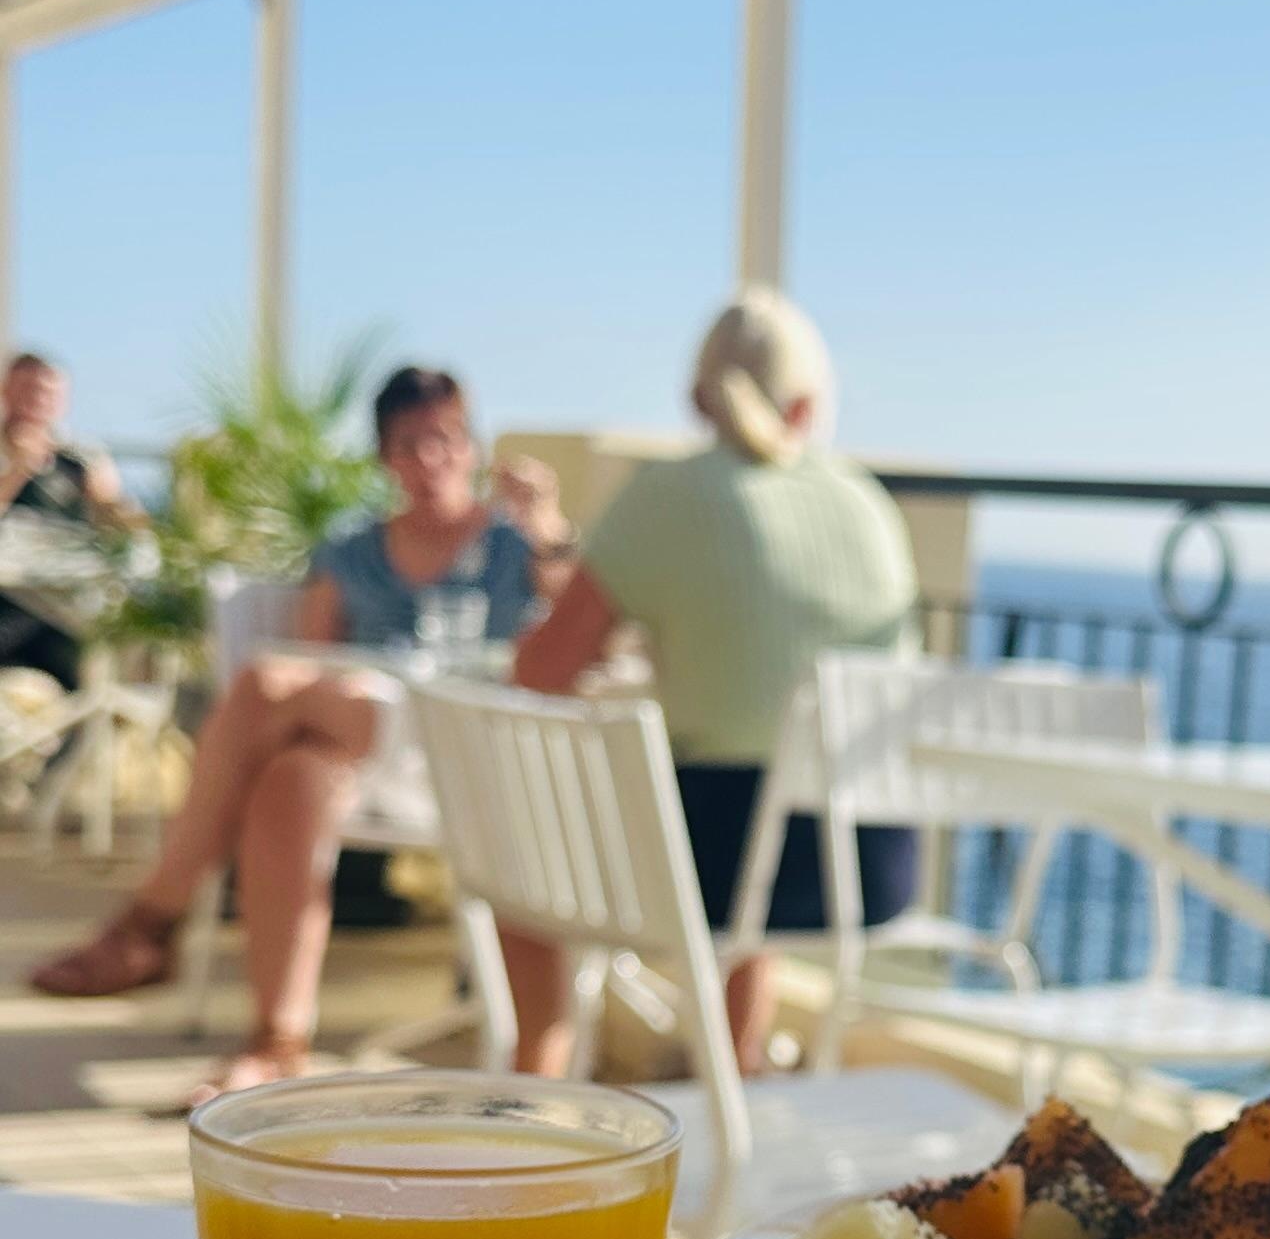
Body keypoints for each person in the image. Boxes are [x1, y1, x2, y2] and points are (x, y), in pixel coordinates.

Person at [32, 365, 574, 1092]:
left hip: (473, 745)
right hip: (372, 749)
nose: (430, 459)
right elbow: (315, 661)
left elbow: (575, 627)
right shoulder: (351, 549)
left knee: (262, 683)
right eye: (410, 443)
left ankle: (152, 917)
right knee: (292, 775)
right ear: (385, 455)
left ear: (471, 447)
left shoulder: (515, 544)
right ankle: (276, 1043)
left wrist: (549, 530)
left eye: (445, 440)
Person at [509, 291, 918, 1073]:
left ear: (698, 396)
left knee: (521, 839)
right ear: (807, 401)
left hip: (722, 862)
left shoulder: (669, 494)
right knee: (760, 800)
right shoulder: (867, 504)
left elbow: (541, 669)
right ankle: (734, 1059)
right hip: (872, 865)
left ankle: (540, 1085)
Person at [0, 351, 134, 693]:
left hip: (63, 596)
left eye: (49, 393)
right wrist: (18, 469)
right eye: (30, 390)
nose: (39, 401)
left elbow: (114, 511)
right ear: (7, 390)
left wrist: (116, 509)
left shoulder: (80, 456)